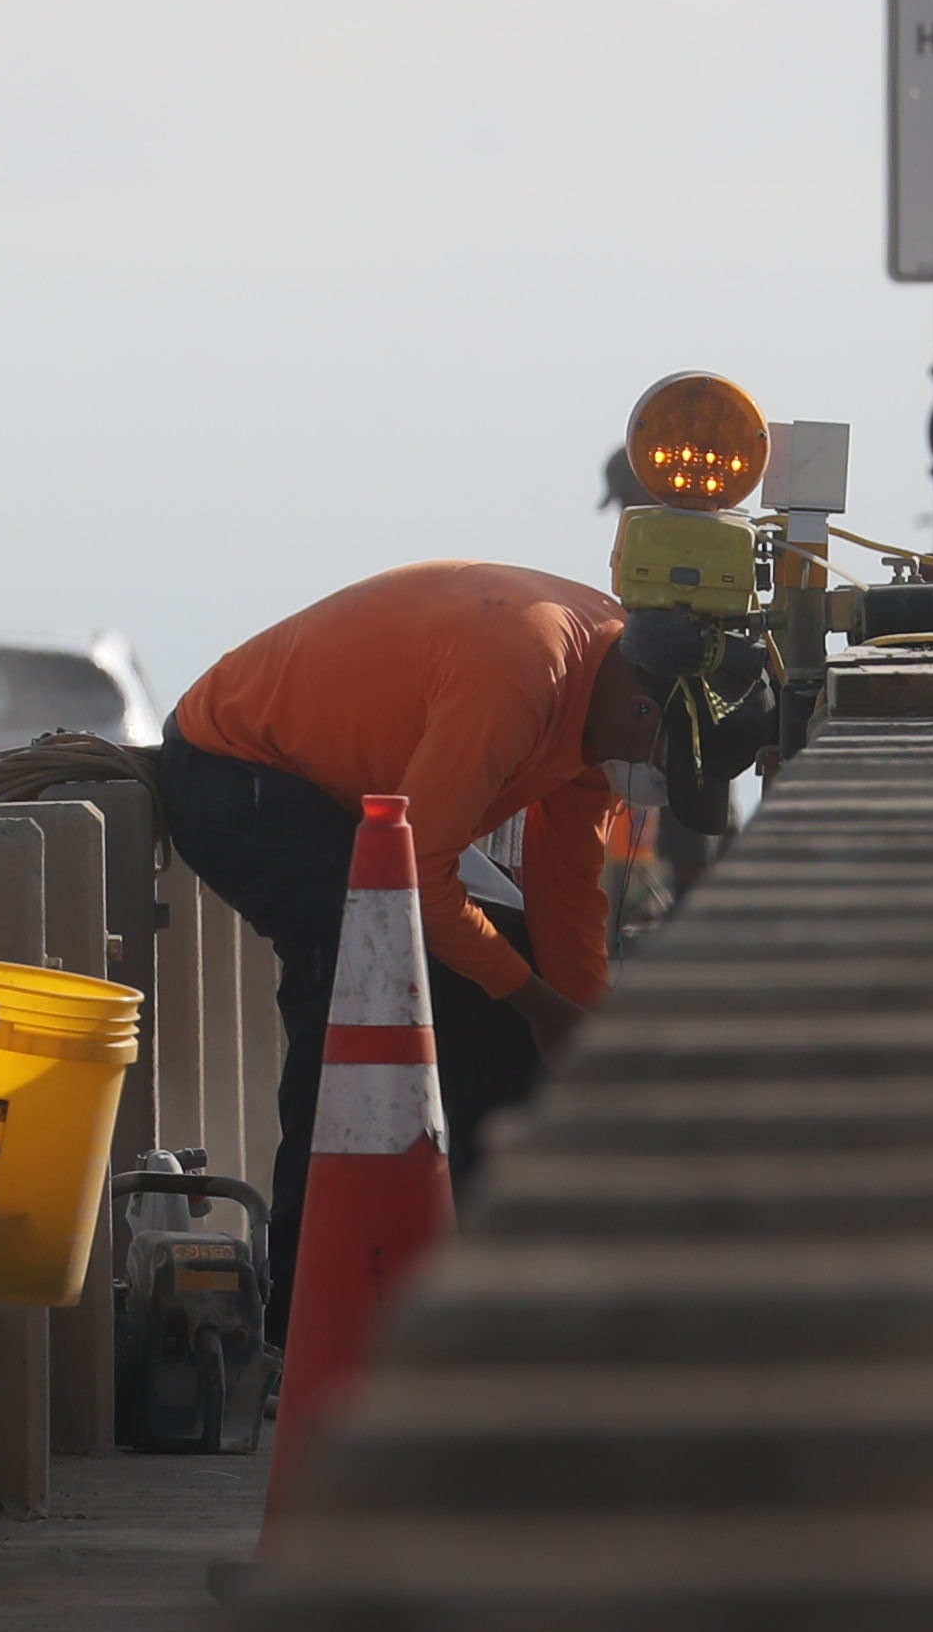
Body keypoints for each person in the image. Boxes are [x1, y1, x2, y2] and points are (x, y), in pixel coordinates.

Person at [146, 562, 668, 1340]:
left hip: (355, 806)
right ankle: (309, 1317)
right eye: (664, 751)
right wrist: (537, 1003)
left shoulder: (601, 704)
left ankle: (476, 1291)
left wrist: (578, 1031)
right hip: (240, 775)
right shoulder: (523, 672)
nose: (654, 775)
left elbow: (565, 893)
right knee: (360, 992)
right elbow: (420, 872)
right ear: (641, 703)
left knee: (492, 1002)